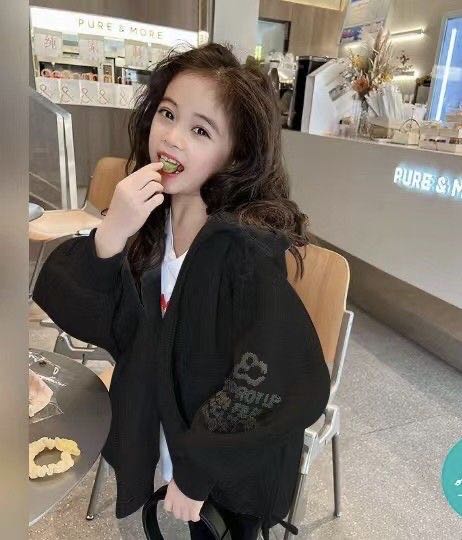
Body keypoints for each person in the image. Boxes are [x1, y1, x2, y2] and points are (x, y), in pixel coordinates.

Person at [32, 42, 331, 540]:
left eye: (200, 130)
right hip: (165, 434)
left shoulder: (244, 250)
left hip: (223, 469)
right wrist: (112, 231)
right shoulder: (151, 226)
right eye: (167, 114)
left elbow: (281, 375)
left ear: (236, 153)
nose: (171, 137)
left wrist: (196, 471)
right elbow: (89, 315)